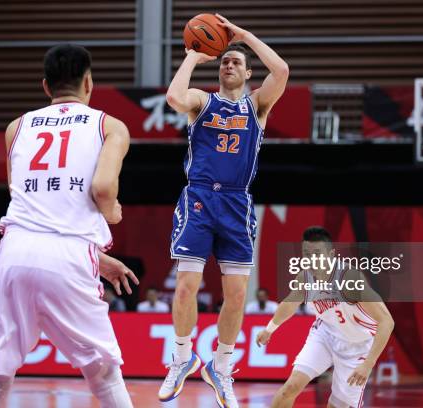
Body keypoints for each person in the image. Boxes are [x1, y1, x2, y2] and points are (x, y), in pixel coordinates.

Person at [0, 44, 139, 408]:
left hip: (14, 254)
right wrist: (110, 213)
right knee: (105, 376)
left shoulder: (16, 128)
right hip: (69, 258)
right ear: (89, 82)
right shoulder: (109, 125)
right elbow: (103, 187)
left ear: (46, 86)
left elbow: (23, 199)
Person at [160, 14, 289, 407]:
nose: (228, 65)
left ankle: (221, 366)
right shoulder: (202, 100)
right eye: (223, 61)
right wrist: (192, 57)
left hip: (236, 201)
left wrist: (245, 36)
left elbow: (281, 69)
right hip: (199, 198)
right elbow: (173, 97)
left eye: (235, 62)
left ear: (249, 72)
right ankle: (182, 358)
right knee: (186, 285)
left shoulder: (257, 106)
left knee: (236, 296)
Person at [256, 227, 395, 408]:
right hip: (325, 334)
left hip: (357, 345)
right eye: (307, 254)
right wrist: (269, 329)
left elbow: (387, 321)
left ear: (331, 254)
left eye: (317, 254)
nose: (312, 260)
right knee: (290, 388)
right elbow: (289, 304)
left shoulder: (349, 279)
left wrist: (369, 363)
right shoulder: (304, 279)